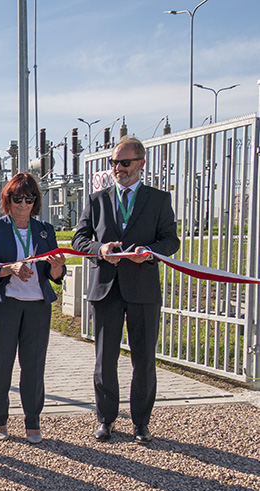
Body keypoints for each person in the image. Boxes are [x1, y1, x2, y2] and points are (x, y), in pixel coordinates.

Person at [72, 136, 179, 444]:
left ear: (141, 163)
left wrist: (150, 252)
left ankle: (141, 423)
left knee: (143, 360)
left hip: (143, 289)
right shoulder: (97, 200)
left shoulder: (158, 199)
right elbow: (79, 239)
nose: (118, 168)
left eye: (125, 162)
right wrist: (100, 248)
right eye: (114, 163)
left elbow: (171, 240)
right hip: (106, 288)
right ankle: (105, 419)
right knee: (105, 359)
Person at [0, 173, 65, 444]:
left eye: (29, 198)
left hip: (37, 306)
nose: (23, 204)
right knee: (1, 364)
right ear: (8, 199)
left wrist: (57, 267)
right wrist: (9, 268)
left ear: (36, 202)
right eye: (17, 198)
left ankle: (32, 420)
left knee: (34, 366)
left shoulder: (45, 229)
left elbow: (54, 274)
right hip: (3, 305)